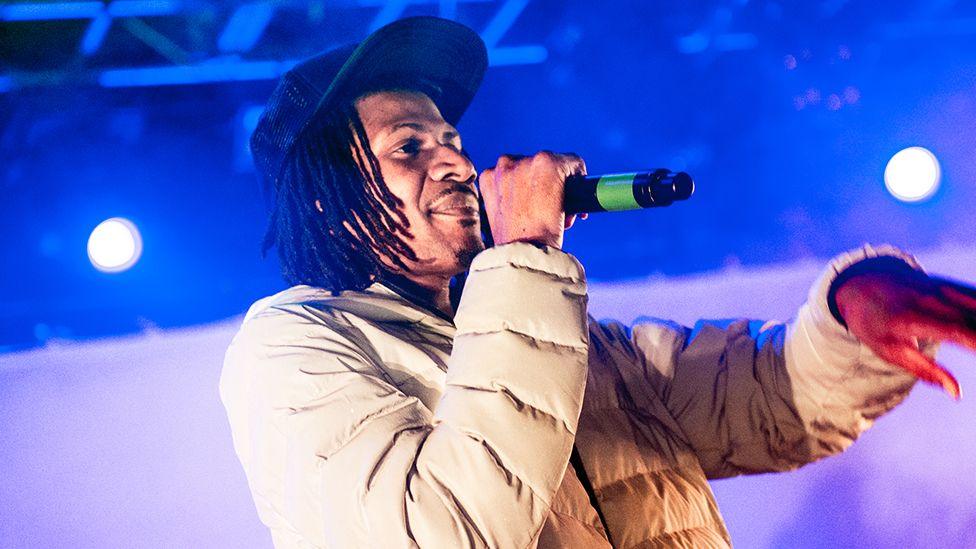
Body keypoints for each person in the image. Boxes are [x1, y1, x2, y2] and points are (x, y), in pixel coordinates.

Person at [219, 16, 976, 549]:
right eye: (408, 146)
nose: (454, 161)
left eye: (451, 138)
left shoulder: (565, 343)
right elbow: (441, 532)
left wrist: (852, 316)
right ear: (325, 196)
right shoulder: (292, 345)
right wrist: (526, 253)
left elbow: (773, 397)